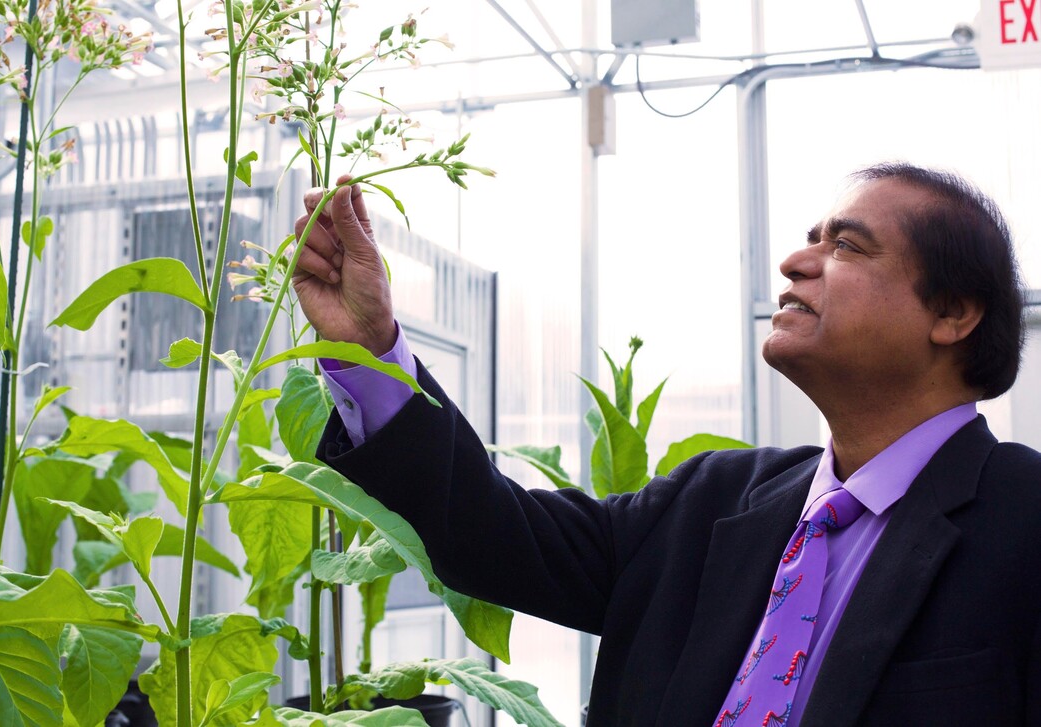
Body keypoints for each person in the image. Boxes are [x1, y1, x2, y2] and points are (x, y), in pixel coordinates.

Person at [291, 163, 1041, 726]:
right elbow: (493, 533)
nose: (795, 262)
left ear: (951, 312)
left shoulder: (1023, 522)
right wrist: (371, 352)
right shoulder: (711, 501)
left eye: (846, 245)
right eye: (810, 239)